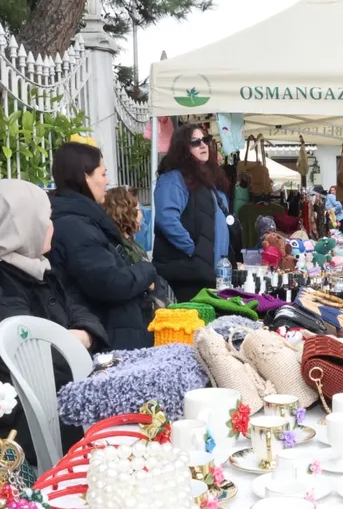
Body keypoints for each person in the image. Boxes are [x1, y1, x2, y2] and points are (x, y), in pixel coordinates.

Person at [0, 178, 109, 465]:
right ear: (15, 226)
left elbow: (78, 310)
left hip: (54, 403)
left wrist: (84, 334)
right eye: (43, 219)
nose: (51, 227)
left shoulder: (33, 267)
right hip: (19, 428)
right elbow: (33, 349)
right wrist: (73, 339)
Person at [48, 142, 157, 350]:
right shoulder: (75, 226)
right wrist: (147, 270)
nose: (107, 181)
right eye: (103, 174)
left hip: (113, 328)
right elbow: (110, 283)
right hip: (107, 335)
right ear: (85, 177)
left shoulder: (83, 218)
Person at [152, 124, 233, 302]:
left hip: (210, 274)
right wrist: (194, 250)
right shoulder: (174, 179)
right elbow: (167, 221)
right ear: (183, 148)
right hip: (187, 275)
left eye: (205, 140)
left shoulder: (210, 179)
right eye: (195, 142)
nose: (203, 145)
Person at [103, 185, 174, 306]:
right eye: (138, 210)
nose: (142, 215)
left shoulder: (129, 245)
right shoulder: (121, 249)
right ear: (126, 213)